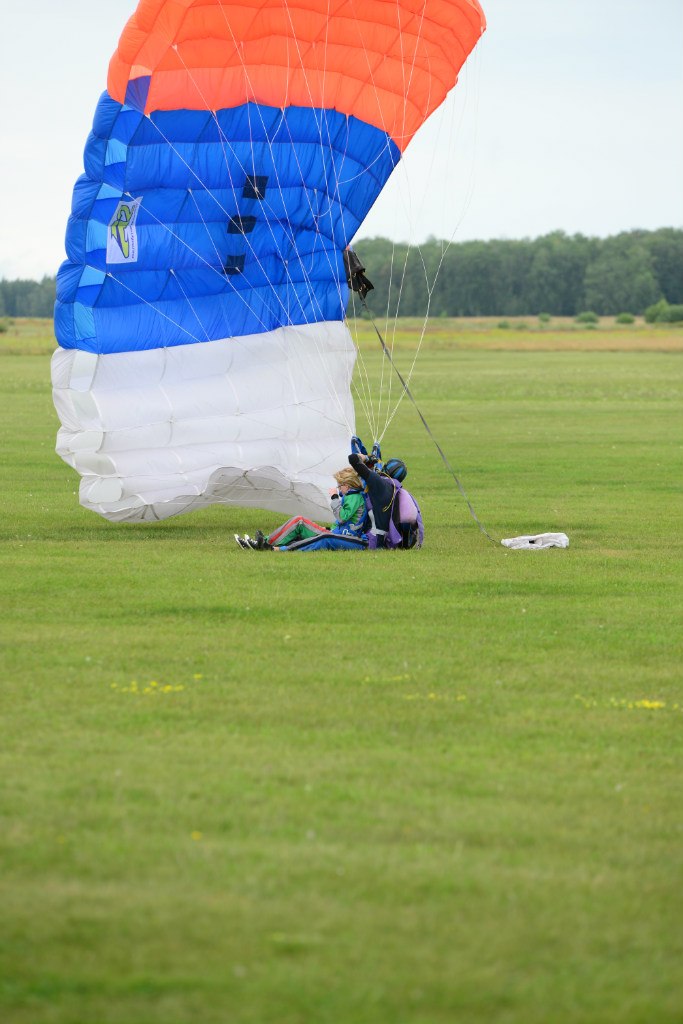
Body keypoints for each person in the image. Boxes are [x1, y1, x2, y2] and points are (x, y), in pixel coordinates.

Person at [235, 466, 368, 551]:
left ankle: (267, 544)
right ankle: (265, 541)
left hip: (340, 536)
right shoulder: (352, 496)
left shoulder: (354, 498)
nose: (338, 488)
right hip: (335, 532)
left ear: (347, 485)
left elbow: (342, 517)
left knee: (301, 523)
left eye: (339, 485)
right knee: (299, 521)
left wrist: (334, 497)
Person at [348, 451, 423, 549]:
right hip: (384, 540)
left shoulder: (378, 483)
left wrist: (366, 457)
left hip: (371, 540)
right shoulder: (394, 488)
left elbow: (353, 458)